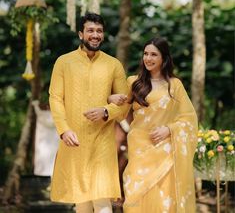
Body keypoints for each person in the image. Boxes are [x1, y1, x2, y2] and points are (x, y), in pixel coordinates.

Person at [49, 12, 129, 213]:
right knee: (82, 202)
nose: (95, 35)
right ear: (80, 34)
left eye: (99, 31)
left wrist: (106, 111)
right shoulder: (63, 62)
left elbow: (124, 102)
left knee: (102, 201)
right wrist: (64, 130)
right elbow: (56, 99)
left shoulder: (113, 65)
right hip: (74, 141)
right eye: (90, 30)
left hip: (102, 142)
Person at [108, 37, 198, 212]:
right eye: (145, 54)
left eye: (153, 55)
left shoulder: (175, 85)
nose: (148, 58)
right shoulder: (134, 82)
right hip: (139, 149)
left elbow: (189, 118)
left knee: (165, 197)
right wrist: (108, 103)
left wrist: (170, 129)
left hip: (164, 150)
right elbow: (120, 112)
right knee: (135, 193)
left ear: (163, 58)